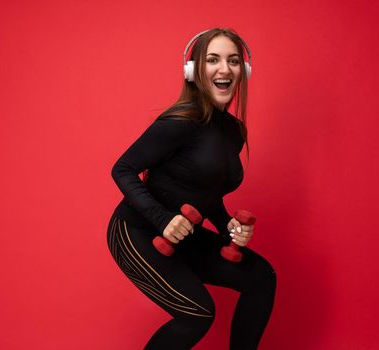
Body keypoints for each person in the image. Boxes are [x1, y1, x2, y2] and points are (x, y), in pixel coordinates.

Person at [107, 28, 276, 349]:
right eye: (213, 60)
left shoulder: (232, 131)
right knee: (197, 313)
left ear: (244, 70)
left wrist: (228, 227)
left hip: (185, 236)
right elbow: (123, 169)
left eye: (233, 60)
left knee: (261, 277)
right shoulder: (181, 121)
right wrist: (161, 218)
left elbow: (206, 191)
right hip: (136, 232)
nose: (224, 69)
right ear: (193, 70)